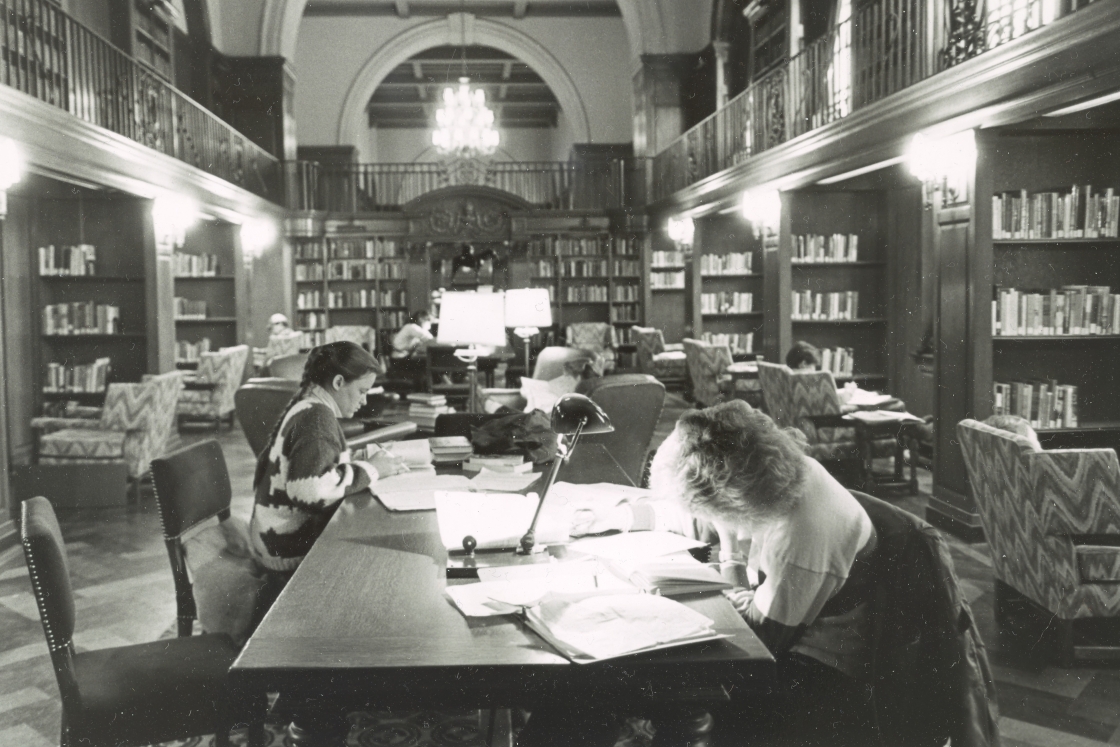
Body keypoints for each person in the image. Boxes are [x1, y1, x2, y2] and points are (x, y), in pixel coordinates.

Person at [647, 399, 880, 745]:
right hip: (785, 610)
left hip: (822, 665)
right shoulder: (782, 469)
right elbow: (692, 518)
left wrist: (730, 556)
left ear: (734, 502)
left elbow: (758, 646)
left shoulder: (801, 538)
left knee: (683, 678)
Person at [249, 341, 408, 576]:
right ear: (338, 382)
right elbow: (310, 491)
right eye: (362, 391)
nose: (364, 401)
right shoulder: (317, 417)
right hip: (288, 556)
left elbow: (320, 461)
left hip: (274, 546)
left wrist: (362, 466)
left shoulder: (308, 404)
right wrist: (372, 469)